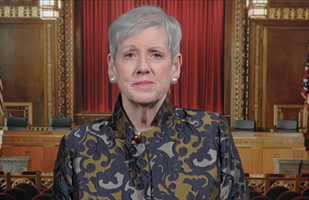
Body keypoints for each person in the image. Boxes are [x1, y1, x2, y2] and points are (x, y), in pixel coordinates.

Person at [52, 5, 249, 200]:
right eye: (130, 55)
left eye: (156, 54)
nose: (143, 67)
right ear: (112, 67)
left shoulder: (214, 133)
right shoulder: (76, 145)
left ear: (175, 67)